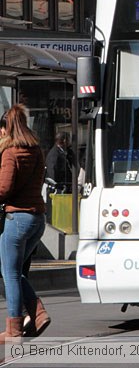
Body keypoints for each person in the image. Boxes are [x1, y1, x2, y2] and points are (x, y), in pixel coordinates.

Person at [0, 105, 50, 342]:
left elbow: (4, 188)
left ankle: (14, 329)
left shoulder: (11, 152)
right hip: (37, 219)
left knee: (9, 273)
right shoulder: (36, 149)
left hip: (17, 218)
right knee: (14, 270)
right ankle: (38, 313)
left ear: (8, 126)